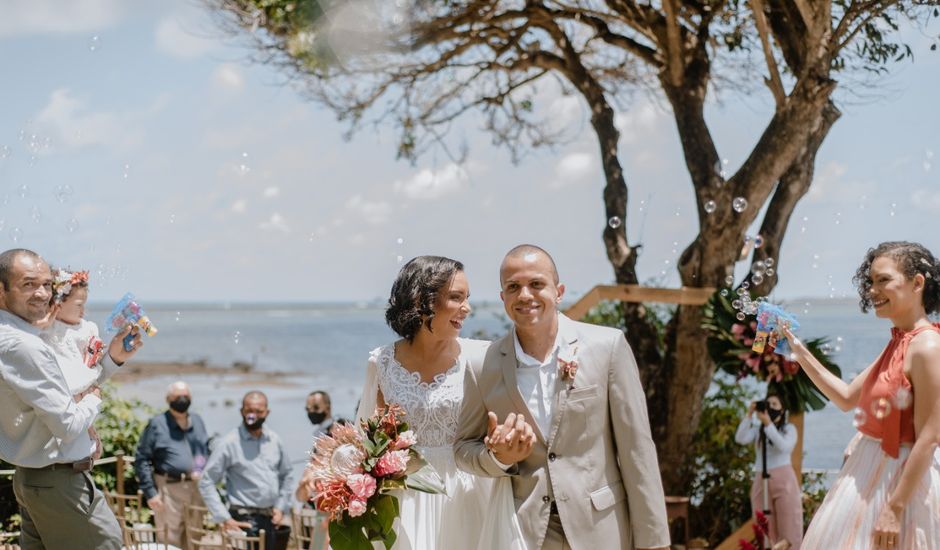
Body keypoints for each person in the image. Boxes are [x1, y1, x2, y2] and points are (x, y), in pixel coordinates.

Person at [454, 244, 671, 550]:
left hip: (600, 529)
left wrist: (654, 541)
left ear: (559, 291)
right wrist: (498, 458)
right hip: (523, 532)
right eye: (513, 287)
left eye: (536, 284)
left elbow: (638, 450)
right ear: (503, 298)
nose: (525, 295)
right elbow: (463, 448)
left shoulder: (607, 347)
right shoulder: (482, 365)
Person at [347, 255, 524, 549]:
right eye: (456, 298)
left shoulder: (483, 357)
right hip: (405, 499)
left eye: (467, 298)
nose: (467, 309)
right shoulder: (382, 362)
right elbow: (365, 444)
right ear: (421, 300)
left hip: (469, 494)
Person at [787, 241, 940, 549]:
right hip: (869, 474)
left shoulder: (927, 347)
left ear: (917, 283)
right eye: (870, 281)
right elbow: (846, 397)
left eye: (883, 279)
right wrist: (797, 350)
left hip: (899, 486)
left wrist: (894, 509)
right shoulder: (900, 342)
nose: (872, 290)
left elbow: (930, 437)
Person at [0, 248, 141, 549]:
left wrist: (112, 361)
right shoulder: (24, 346)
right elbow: (67, 423)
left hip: (36, 479)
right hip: (59, 483)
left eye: (46, 284)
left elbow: (66, 388)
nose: (42, 293)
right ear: (2, 290)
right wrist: (94, 398)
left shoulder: (21, 338)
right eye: (28, 284)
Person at [198, 391, 292, 550]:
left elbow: (287, 475)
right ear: (242, 411)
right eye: (249, 411)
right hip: (242, 521)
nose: (253, 415)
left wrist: (281, 507)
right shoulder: (229, 443)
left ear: (267, 413)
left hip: (271, 521)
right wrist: (224, 518)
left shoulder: (274, 440)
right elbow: (206, 481)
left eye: (258, 411)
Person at [136, 381, 210, 548]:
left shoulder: (197, 420)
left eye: (186, 396)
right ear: (168, 399)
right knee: (169, 539)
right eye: (178, 396)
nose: (182, 399)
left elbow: (203, 451)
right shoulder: (157, 424)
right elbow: (142, 459)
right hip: (168, 489)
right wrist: (150, 492)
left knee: (195, 536)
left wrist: (199, 469)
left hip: (195, 488)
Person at [735, 393, 802, 549]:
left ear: (782, 409)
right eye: (768, 403)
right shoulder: (759, 430)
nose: (770, 407)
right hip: (761, 478)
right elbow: (740, 438)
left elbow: (784, 447)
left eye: (775, 404)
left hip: (783, 478)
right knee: (763, 524)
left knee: (789, 523)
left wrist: (768, 425)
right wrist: (749, 415)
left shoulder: (789, 429)